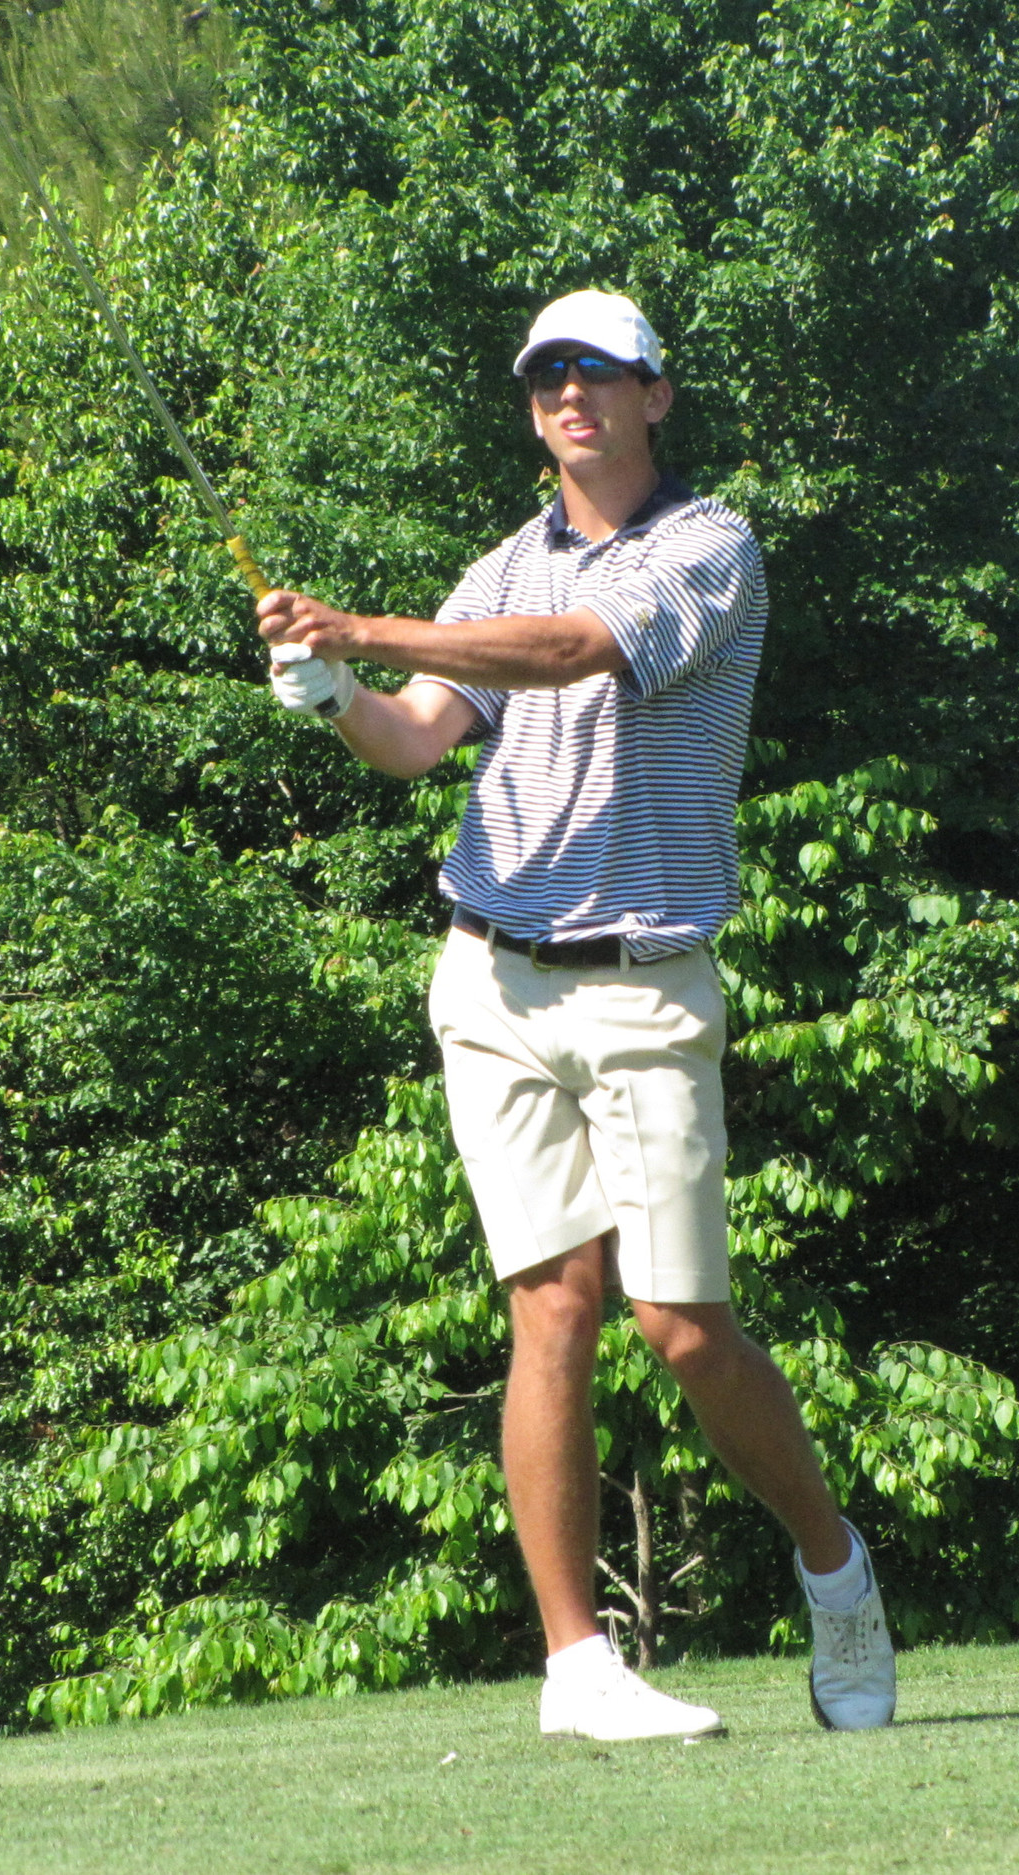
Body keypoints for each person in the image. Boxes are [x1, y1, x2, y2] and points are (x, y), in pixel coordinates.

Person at [254, 290, 895, 1741]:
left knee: (680, 1326)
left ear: (655, 394)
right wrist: (335, 688)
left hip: (646, 983)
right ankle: (575, 1669)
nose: (571, 397)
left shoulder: (707, 548)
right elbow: (418, 741)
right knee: (550, 1306)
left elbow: (570, 654)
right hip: (491, 976)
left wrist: (359, 621)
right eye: (549, 377)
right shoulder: (497, 570)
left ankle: (833, 1566)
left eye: (599, 373)